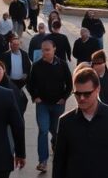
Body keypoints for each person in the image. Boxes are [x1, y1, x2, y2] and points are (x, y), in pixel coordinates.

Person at [53, 67, 108, 178]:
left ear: (97, 90)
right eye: (77, 94)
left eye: (87, 94)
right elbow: (59, 160)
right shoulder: (65, 122)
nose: (81, 98)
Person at [28, 40, 74, 173]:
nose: (45, 52)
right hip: (42, 104)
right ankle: (43, 161)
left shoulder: (62, 65)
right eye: (43, 50)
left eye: (47, 50)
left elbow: (69, 84)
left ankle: (55, 142)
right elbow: (30, 84)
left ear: (54, 49)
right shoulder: (36, 66)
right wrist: (35, 96)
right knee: (43, 130)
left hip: (58, 105)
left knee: (55, 130)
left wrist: (64, 98)